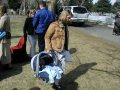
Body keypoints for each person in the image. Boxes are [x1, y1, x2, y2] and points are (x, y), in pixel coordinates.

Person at [0, 4, 12, 69]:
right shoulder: (6, 16)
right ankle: (8, 64)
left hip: (4, 36)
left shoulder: (4, 17)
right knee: (6, 51)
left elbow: (0, 27)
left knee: (4, 51)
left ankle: (6, 65)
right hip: (6, 35)